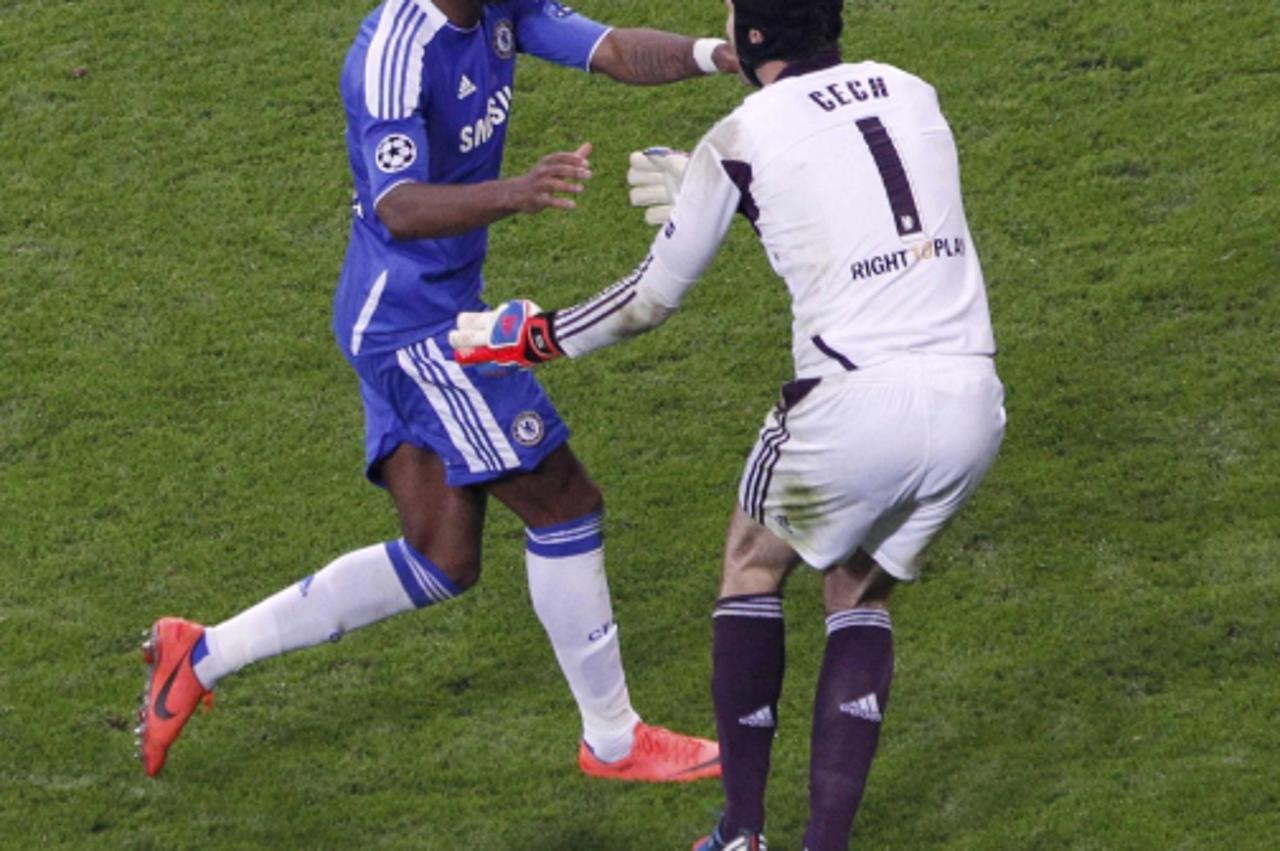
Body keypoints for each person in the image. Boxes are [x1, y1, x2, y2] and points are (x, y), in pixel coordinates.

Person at [136, 0, 744, 783]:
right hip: (416, 327)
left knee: (442, 558)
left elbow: (613, 49)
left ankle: (201, 652)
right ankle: (615, 738)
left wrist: (711, 55)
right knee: (563, 500)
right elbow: (399, 204)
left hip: (410, 309)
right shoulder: (392, 55)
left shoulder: (497, 6)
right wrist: (515, 192)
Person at [447, 0, 1008, 847]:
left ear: (749, 37)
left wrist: (534, 337)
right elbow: (866, 208)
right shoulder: (914, 90)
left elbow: (647, 301)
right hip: (971, 401)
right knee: (857, 592)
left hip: (852, 404)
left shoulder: (739, 137)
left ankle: (742, 833)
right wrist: (734, 202)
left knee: (751, 563)